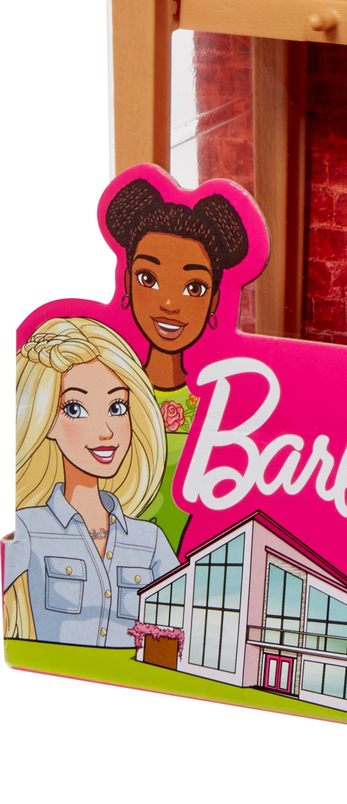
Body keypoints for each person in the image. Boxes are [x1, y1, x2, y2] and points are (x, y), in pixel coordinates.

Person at [4, 317, 179, 647]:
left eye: (117, 406)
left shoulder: (150, 541)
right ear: (45, 419)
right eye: (74, 408)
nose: (106, 431)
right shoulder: (28, 528)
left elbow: (188, 619)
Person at [104, 177, 251, 551]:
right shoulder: (106, 390)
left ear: (214, 300)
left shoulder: (216, 405)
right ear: (127, 281)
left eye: (194, 288)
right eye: (148, 278)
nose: (169, 304)